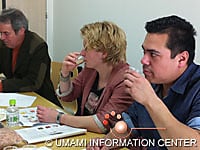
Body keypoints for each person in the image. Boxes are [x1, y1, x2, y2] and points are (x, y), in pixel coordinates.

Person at [87, 15, 200, 149]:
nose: (143, 60)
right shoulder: (153, 81)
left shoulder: (196, 87)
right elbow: (129, 125)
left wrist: (151, 100)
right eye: (144, 52)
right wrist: (108, 141)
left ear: (181, 59)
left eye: (153, 54)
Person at [37, 21, 134, 133]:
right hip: (83, 132)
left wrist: (59, 118)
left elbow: (102, 124)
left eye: (86, 48)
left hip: (104, 140)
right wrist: (65, 73)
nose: (82, 53)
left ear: (104, 53)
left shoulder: (125, 81)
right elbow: (68, 96)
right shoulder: (90, 70)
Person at [0, 8, 61, 107]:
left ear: (21, 31)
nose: (2, 37)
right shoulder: (4, 44)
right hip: (14, 97)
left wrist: (2, 85)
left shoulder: (38, 46)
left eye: (6, 33)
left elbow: (33, 82)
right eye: (0, 33)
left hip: (40, 99)